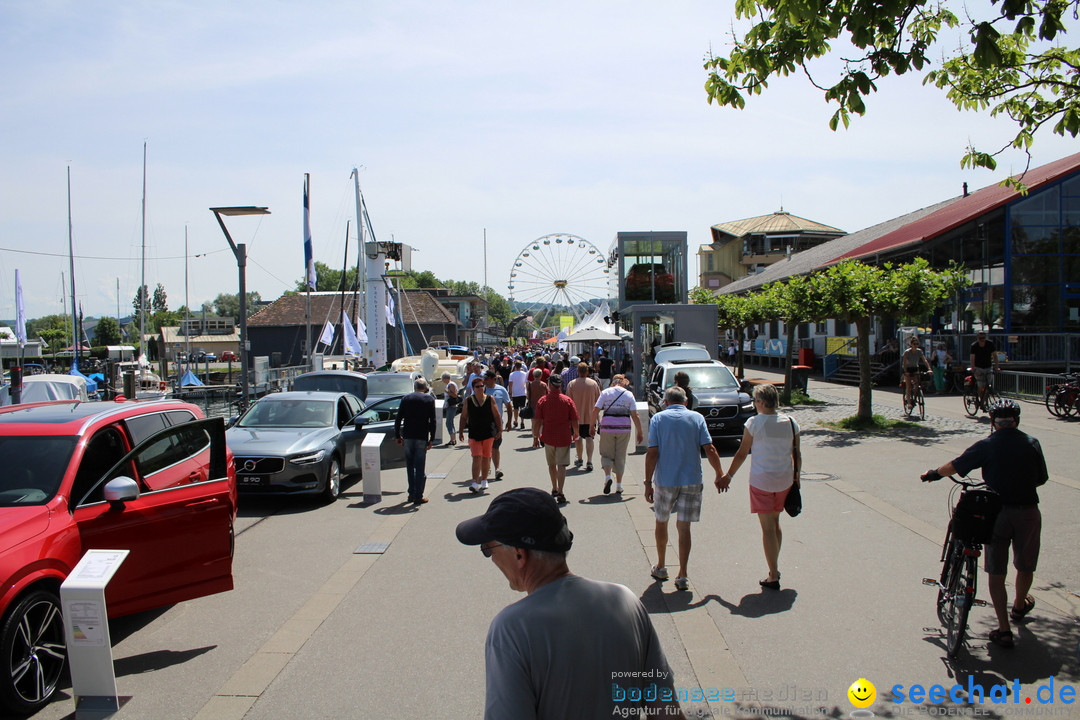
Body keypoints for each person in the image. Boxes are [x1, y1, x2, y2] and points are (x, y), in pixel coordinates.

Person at [456, 488, 686, 720]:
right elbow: (666, 711)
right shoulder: (626, 601)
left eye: (488, 549)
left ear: (519, 554)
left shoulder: (511, 629)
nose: (492, 558)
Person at [922, 399, 1048, 649]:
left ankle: (1003, 629)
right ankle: (1020, 606)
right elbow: (1041, 479)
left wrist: (933, 473)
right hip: (1027, 513)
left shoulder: (988, 445)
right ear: (1017, 421)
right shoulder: (1032, 443)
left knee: (996, 571)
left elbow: (955, 466)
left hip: (996, 513)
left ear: (992, 421)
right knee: (1025, 565)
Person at [646, 386, 726, 591]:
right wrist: (719, 473)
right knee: (684, 527)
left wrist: (648, 482)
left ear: (665, 401)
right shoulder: (697, 418)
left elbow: (653, 452)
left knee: (661, 522)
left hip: (665, 480)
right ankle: (682, 574)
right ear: (686, 401)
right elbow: (710, 448)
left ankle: (662, 565)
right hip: (692, 479)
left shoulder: (658, 419)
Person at [721, 383, 800, 590]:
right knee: (775, 522)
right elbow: (797, 454)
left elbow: (741, 452)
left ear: (763, 402)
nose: (754, 404)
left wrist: (728, 475)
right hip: (785, 479)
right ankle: (774, 566)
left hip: (761, 481)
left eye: (756, 400)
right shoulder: (791, 422)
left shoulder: (754, 423)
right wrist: (797, 477)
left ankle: (773, 574)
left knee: (767, 528)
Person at [532, 374, 578, 505]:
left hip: (548, 436)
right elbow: (574, 418)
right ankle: (561, 491)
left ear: (550, 385)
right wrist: (576, 433)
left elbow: (538, 421)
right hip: (564, 436)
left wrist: (535, 436)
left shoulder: (543, 400)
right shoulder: (567, 400)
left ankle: (554, 488)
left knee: (551, 464)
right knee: (562, 465)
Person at [594, 374, 643, 494]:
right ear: (623, 382)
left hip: (607, 427)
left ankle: (607, 477)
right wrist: (640, 431)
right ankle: (619, 486)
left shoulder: (605, 393)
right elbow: (634, 415)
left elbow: (595, 410)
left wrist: (592, 426)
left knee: (606, 454)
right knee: (620, 456)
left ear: (613, 382)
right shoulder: (628, 394)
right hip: (624, 428)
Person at [394, 377, 437, 504]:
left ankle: (411, 493)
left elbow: (398, 419)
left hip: (408, 436)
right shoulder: (429, 399)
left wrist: (397, 435)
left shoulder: (406, 399)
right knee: (419, 466)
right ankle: (419, 495)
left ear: (415, 387)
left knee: (410, 466)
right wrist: (432, 438)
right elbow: (433, 421)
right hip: (421, 436)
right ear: (425, 388)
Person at [459, 374, 502, 494]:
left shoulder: (489, 399)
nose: (481, 388)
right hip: (474, 433)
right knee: (476, 456)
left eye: (482, 386)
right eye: (478, 386)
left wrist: (500, 430)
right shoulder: (468, 400)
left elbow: (496, 415)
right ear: (473, 388)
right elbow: (463, 417)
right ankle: (474, 482)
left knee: (486, 456)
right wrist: (461, 431)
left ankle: (484, 480)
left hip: (488, 432)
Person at [566, 363, 601, 472]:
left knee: (578, 437)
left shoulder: (571, 384)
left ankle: (580, 458)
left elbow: (568, 401)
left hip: (576, 417)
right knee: (589, 438)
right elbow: (599, 400)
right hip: (590, 416)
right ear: (587, 372)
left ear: (578, 372)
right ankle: (589, 460)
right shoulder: (593, 384)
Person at [483, 370, 513, 481]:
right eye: (484, 379)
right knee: (486, 447)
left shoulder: (501, 390)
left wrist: (509, 422)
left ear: (493, 379)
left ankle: (497, 469)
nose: (484, 381)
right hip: (483, 423)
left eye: (486, 379)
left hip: (496, 424)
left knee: (495, 447)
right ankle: (487, 467)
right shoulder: (481, 389)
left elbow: (509, 406)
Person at [970, 331, 998, 410]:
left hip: (988, 367)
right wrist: (974, 369)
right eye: (980, 338)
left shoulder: (990, 344)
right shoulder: (974, 346)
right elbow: (972, 358)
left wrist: (997, 367)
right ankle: (981, 401)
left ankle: (985, 402)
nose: (982, 340)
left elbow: (995, 356)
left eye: (983, 338)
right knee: (981, 386)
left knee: (988, 386)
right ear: (977, 338)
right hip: (978, 367)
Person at [901, 337, 931, 408]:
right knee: (908, 386)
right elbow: (904, 363)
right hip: (908, 368)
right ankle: (909, 403)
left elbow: (925, 360)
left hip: (915, 368)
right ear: (911, 344)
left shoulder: (919, 351)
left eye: (917, 344)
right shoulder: (907, 352)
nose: (916, 345)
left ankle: (914, 398)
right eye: (914, 344)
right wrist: (906, 371)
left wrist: (929, 368)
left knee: (917, 384)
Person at [506, 361, 529, 430]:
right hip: (522, 392)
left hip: (515, 393)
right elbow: (526, 383)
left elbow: (510, 384)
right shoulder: (524, 374)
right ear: (521, 367)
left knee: (515, 408)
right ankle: (522, 421)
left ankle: (516, 421)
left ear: (515, 366)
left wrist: (510, 392)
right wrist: (527, 392)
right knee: (522, 407)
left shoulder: (512, 374)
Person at [441, 371, 460, 445]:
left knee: (448, 422)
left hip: (452, 406)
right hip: (450, 406)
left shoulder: (451, 384)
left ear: (445, 378)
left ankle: (453, 439)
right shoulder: (450, 384)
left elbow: (455, 395)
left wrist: (447, 392)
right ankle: (453, 439)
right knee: (450, 422)